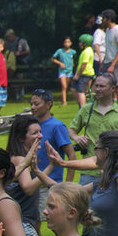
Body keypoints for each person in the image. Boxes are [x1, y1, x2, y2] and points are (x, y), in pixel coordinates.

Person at [69, 74, 118, 186]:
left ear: (112, 88)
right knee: (85, 202)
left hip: (113, 170)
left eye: (102, 86)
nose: (97, 89)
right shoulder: (86, 109)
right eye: (96, 86)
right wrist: (76, 137)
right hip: (88, 171)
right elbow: (71, 129)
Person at [28, 88, 75, 217]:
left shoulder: (57, 126)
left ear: (48, 104)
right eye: (31, 104)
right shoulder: (31, 125)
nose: (32, 107)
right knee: (33, 219)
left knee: (51, 219)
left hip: (49, 182)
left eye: (36, 104)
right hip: (31, 181)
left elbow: (71, 155)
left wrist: (67, 186)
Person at [99, 10, 118, 105]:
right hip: (108, 61)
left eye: (103, 18)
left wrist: (112, 65)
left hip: (117, 62)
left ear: (109, 19)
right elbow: (109, 48)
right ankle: (111, 106)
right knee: (108, 86)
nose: (102, 20)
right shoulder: (107, 30)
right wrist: (103, 62)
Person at [72, 34, 96, 108]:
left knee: (81, 91)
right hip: (83, 73)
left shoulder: (87, 51)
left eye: (81, 42)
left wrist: (77, 75)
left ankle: (83, 108)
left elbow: (83, 65)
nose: (79, 44)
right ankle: (81, 104)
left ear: (85, 43)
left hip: (85, 73)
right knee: (73, 89)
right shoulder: (85, 51)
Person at [52, 37, 77, 106]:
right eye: (65, 42)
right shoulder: (60, 51)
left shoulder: (73, 52)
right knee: (64, 86)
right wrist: (60, 63)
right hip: (62, 71)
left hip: (69, 71)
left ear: (71, 43)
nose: (67, 44)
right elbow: (53, 59)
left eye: (68, 42)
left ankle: (63, 99)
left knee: (67, 86)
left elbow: (75, 60)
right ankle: (64, 101)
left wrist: (73, 64)